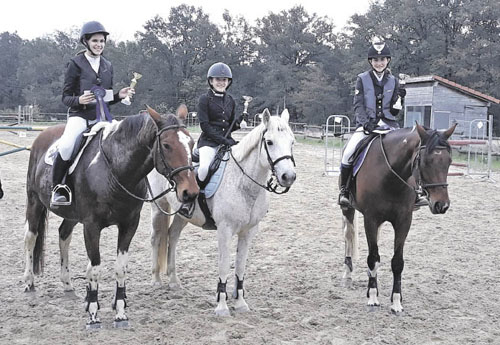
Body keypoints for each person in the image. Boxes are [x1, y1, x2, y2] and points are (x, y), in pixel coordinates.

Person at [51, 21, 132, 206]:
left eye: (102, 41)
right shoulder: (75, 63)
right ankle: (58, 187)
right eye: (95, 41)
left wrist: (120, 95)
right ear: (85, 41)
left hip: (103, 117)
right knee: (66, 145)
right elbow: (65, 97)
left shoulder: (107, 65)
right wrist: (79, 100)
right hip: (80, 115)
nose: (99, 44)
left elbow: (107, 96)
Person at [338, 40, 422, 208]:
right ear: (371, 61)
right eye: (376, 60)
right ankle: (345, 191)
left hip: (389, 125)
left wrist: (400, 98)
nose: (379, 63)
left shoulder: (394, 81)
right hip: (368, 125)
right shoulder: (361, 79)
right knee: (348, 152)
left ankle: (416, 192)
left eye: (382, 59)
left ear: (388, 60)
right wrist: (365, 123)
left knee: (410, 153)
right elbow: (358, 104)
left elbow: (395, 111)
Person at [196, 62, 240, 185]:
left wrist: (238, 122)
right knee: (204, 168)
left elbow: (229, 126)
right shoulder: (204, 99)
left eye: (224, 80)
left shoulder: (230, 100)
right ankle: (194, 197)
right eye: (218, 79)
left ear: (228, 82)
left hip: (227, 141)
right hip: (209, 142)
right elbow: (205, 126)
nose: (221, 82)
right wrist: (222, 140)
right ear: (211, 81)